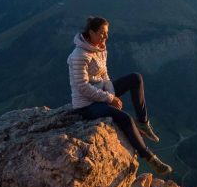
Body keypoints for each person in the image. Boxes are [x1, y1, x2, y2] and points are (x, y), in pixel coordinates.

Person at [67, 16, 173, 176]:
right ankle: (150, 157)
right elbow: (82, 87)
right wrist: (109, 99)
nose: (106, 37)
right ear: (91, 32)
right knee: (125, 118)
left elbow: (105, 76)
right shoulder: (79, 56)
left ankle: (143, 123)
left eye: (106, 32)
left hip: (101, 95)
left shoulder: (100, 49)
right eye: (102, 33)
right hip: (86, 105)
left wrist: (110, 94)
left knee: (135, 78)